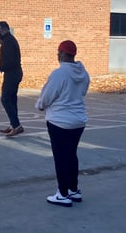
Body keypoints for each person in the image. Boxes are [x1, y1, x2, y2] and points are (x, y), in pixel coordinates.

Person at [35, 40, 90, 207]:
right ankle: (73, 190)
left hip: (59, 121)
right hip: (78, 122)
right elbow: (83, 92)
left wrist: (39, 106)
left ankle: (62, 194)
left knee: (60, 158)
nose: (57, 55)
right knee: (71, 155)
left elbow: (47, 96)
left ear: (64, 54)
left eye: (58, 52)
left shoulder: (59, 74)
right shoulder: (84, 73)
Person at [0, 21, 24, 137]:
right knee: (12, 100)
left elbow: (11, 61)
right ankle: (14, 125)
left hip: (13, 73)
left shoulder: (9, 42)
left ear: (5, 29)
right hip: (13, 73)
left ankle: (17, 126)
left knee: (5, 99)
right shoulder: (9, 40)